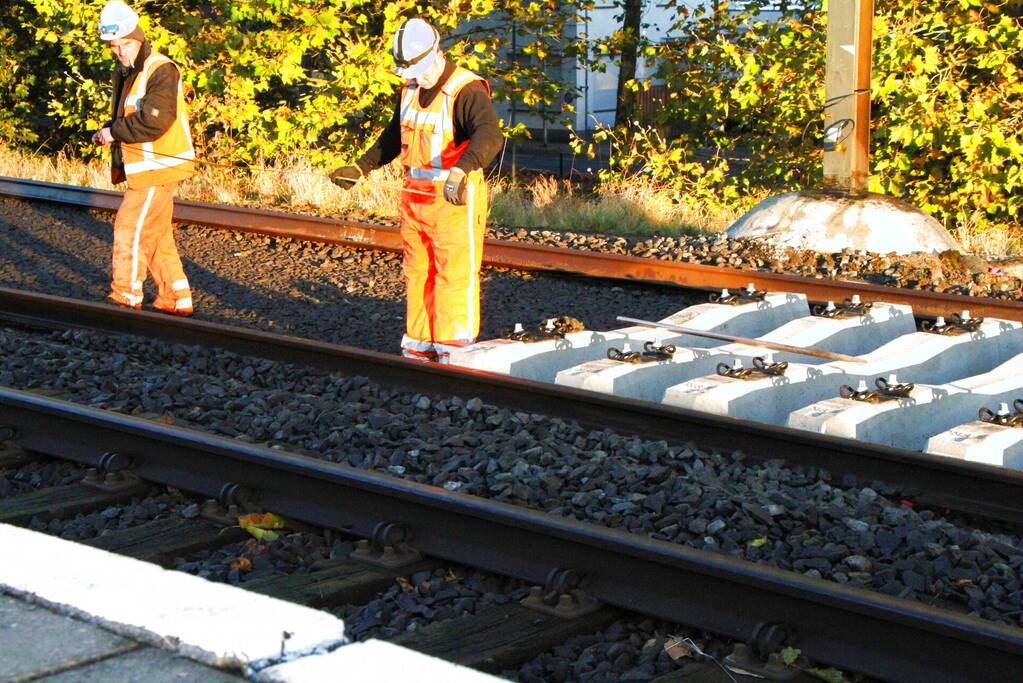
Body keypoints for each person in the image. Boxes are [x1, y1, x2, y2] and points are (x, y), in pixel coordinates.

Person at [331, 18, 503, 363]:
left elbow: (490, 135)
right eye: (412, 72)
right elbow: (394, 137)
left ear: (437, 53)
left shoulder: (465, 90)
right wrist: (361, 167)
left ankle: (456, 349)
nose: (419, 78)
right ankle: (420, 344)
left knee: (453, 272)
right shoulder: (410, 89)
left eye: (422, 71)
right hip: (415, 198)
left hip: (453, 199)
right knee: (418, 270)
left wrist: (461, 169)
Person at [91, 1, 195, 315]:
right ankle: (176, 298)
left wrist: (113, 132)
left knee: (129, 227)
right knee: (155, 234)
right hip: (149, 168)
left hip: (159, 168)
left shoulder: (160, 69)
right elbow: (131, 116)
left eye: (125, 44)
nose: (120, 51)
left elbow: (155, 120)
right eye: (114, 46)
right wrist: (111, 129)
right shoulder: (128, 71)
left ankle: (125, 295)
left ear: (138, 38)